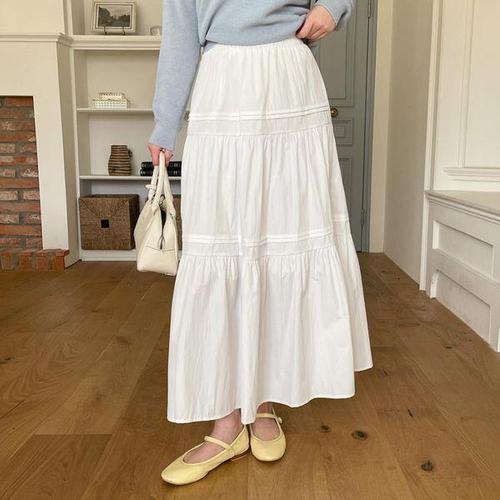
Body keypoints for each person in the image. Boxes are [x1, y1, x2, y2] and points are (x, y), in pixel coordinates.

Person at [148, 0, 372, 486]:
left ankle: (265, 401)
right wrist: (165, 122)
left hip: (289, 77)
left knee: (277, 242)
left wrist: (334, 6)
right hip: (223, 82)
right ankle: (227, 422)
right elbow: (181, 32)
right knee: (224, 247)